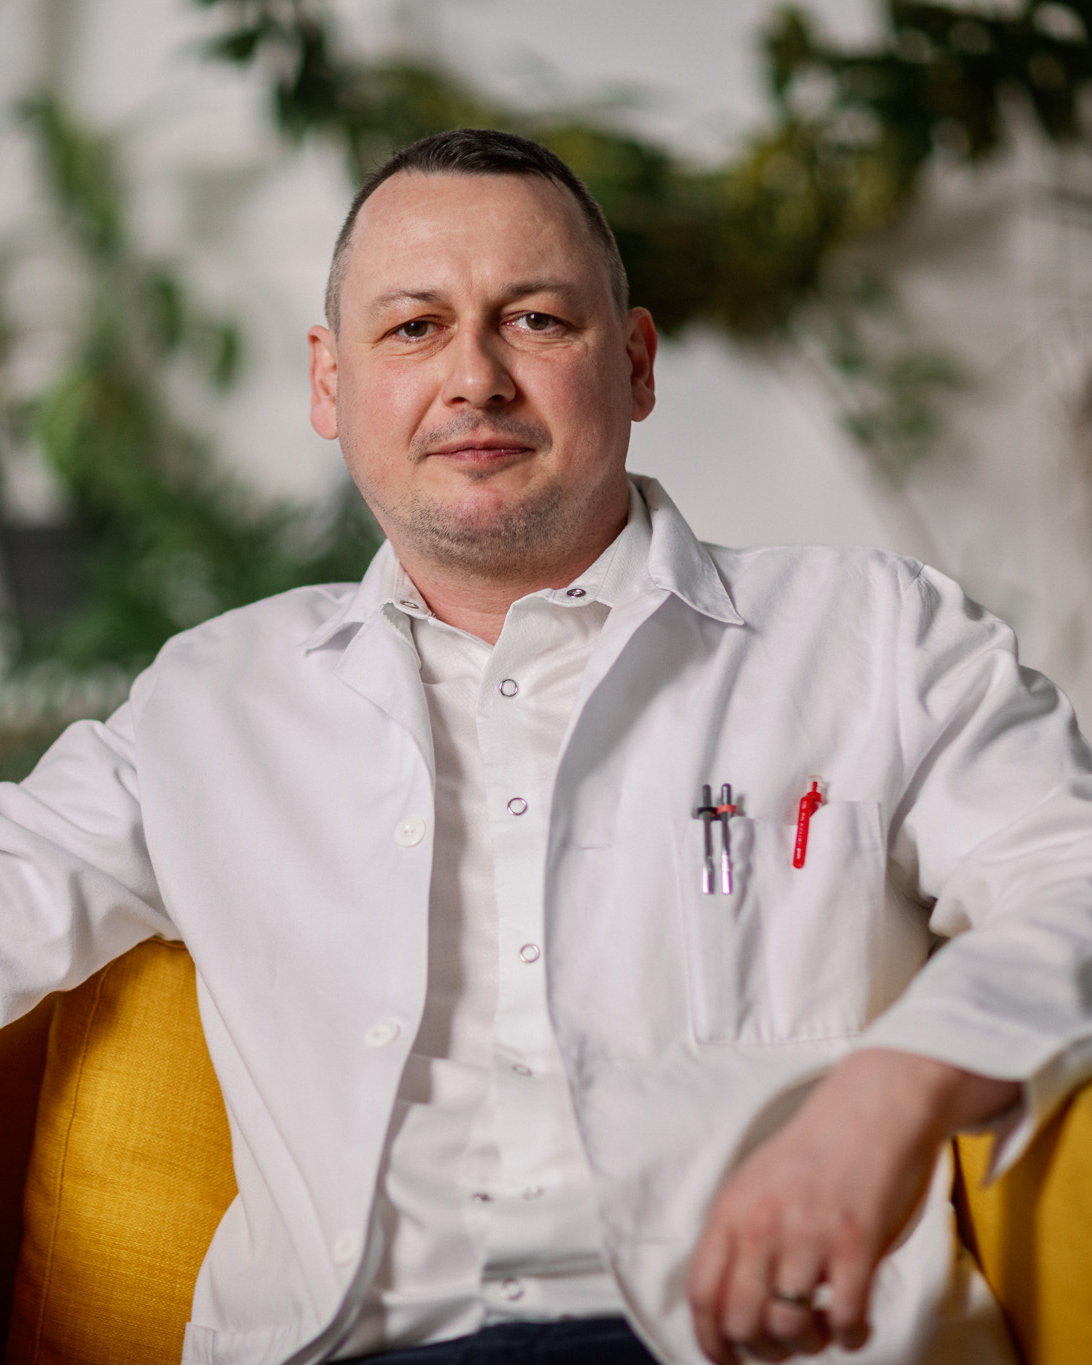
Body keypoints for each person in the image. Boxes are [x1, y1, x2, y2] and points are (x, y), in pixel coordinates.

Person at [2, 128, 1091, 1365]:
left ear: (634, 363)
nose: (474, 378)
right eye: (414, 327)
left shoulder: (877, 636)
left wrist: (891, 1093)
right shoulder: (212, 700)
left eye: (534, 320)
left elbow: (1073, 876)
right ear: (329, 382)